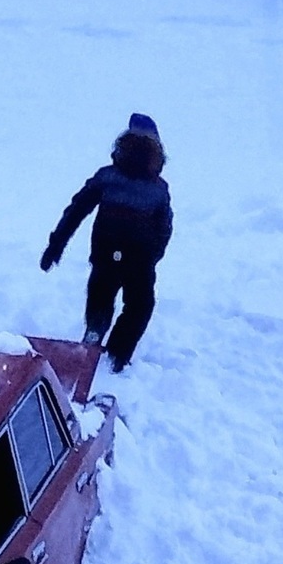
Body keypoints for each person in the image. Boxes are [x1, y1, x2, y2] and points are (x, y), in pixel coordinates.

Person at [40, 113, 173, 373]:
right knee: (139, 305)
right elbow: (165, 228)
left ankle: (94, 335)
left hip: (106, 251)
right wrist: (153, 255)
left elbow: (76, 210)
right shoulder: (159, 189)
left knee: (101, 295)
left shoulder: (107, 177)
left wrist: (56, 244)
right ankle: (115, 357)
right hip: (140, 259)